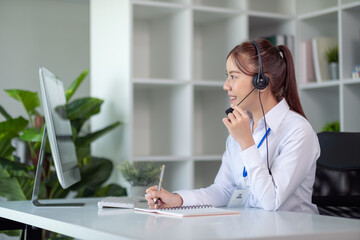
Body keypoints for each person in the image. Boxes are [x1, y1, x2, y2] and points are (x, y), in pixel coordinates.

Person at [145, 39, 320, 214]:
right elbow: (223, 191)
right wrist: (178, 199)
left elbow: (271, 202)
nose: (226, 85)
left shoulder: (298, 131)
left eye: (233, 76)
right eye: (227, 76)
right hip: (251, 228)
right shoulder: (242, 127)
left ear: (261, 82)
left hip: (292, 231)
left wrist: (246, 143)